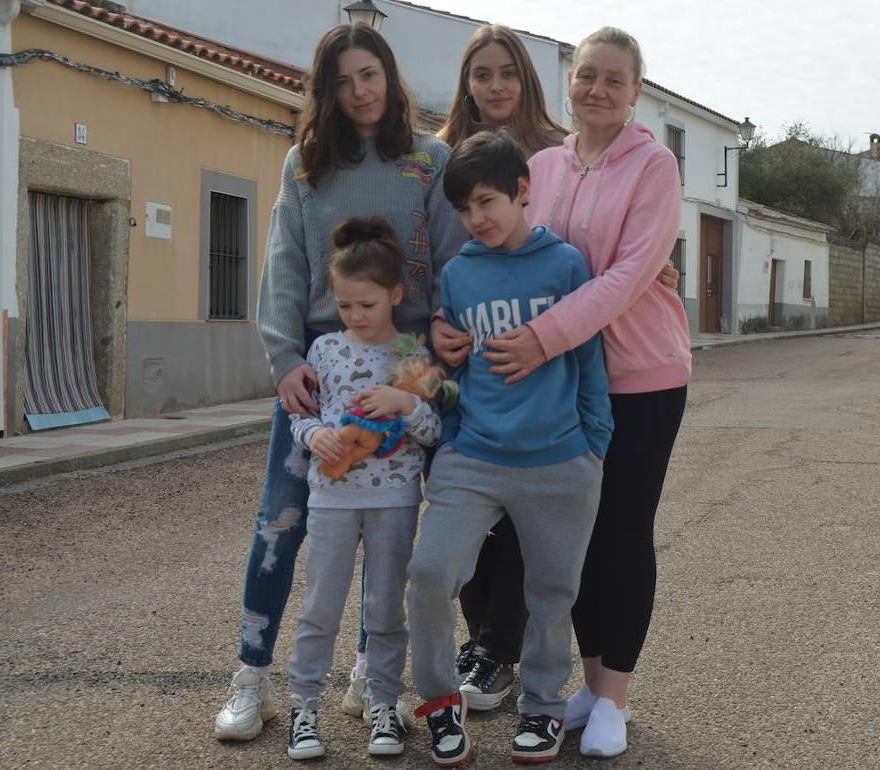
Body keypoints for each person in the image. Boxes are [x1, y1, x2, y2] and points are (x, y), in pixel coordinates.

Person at [213, 22, 463, 743]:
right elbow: (283, 266)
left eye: (371, 75)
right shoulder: (305, 164)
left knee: (388, 525)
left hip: (408, 364)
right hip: (320, 367)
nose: (361, 91)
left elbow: (451, 261)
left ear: (390, 76)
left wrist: (436, 356)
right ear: (325, 89)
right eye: (345, 80)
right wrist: (284, 360)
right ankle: (250, 681)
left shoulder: (429, 158)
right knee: (283, 523)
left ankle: (366, 678)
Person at [431, 23, 678, 715]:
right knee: (576, 543)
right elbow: (513, 257)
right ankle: (583, 690)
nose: (597, 88)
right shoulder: (542, 166)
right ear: (569, 82)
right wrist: (451, 322)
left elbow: (627, 273)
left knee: (623, 534)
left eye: (614, 79)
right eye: (588, 75)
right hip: (562, 376)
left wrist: (541, 336)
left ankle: (612, 701)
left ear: (636, 93)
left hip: (642, 371)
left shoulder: (653, 164)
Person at [407, 130, 613, 766]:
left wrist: (592, 447)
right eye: (464, 208)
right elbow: (454, 366)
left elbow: (589, 361)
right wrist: (446, 430)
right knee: (429, 573)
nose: (476, 219)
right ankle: (442, 705)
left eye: (487, 202)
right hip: (474, 459)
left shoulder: (567, 265)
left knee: (552, 594)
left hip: (559, 461)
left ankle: (544, 709)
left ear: (524, 193)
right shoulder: (460, 274)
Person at [284, 218, 442, 760]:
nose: (354, 316)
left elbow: (434, 432)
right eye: (346, 305)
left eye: (366, 305)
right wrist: (316, 435)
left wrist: (410, 404)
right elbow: (298, 419)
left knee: (384, 609)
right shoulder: (325, 349)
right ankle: (303, 710)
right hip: (331, 500)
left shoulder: (414, 356)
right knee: (320, 606)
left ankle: (383, 706)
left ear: (395, 295)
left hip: (395, 501)